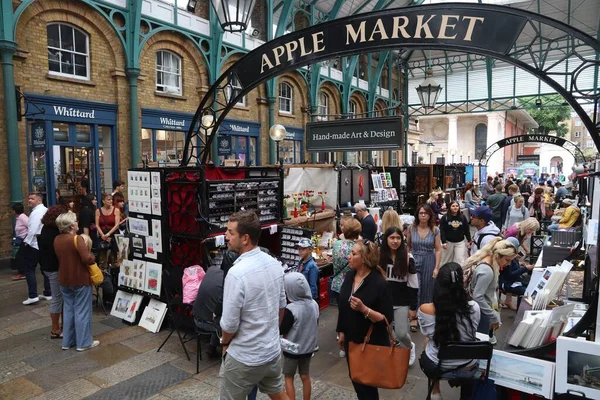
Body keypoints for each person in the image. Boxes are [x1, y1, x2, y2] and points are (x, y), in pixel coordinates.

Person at [219, 211, 289, 400]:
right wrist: (272, 331)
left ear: (245, 238)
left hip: (245, 355)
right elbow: (281, 306)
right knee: (279, 394)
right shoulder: (274, 263)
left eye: (230, 232)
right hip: (271, 350)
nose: (226, 236)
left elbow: (229, 324)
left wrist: (224, 343)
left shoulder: (236, 273)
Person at [336, 240, 394, 400]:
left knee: (366, 386)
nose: (348, 256)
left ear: (364, 259)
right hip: (351, 340)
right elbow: (343, 306)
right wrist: (341, 331)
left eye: (353, 253)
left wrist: (364, 309)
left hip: (370, 343)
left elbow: (387, 319)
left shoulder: (379, 284)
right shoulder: (349, 276)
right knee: (356, 379)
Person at [418, 263, 481, 400]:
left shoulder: (425, 309)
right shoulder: (474, 307)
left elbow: (428, 334)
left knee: (427, 341)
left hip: (438, 365)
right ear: (462, 283)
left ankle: (435, 391)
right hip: (468, 366)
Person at [54, 212, 99, 351]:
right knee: (82, 311)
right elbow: (86, 259)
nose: (77, 223)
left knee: (68, 310)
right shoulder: (77, 239)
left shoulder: (57, 239)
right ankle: (84, 342)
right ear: (72, 225)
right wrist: (92, 256)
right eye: (76, 221)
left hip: (64, 279)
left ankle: (67, 341)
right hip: (79, 278)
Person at [463, 238, 517, 340]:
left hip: (480, 310)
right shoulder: (487, 271)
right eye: (507, 260)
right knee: (480, 343)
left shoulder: (486, 259)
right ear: (497, 256)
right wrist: (493, 315)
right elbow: (478, 297)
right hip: (482, 313)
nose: (508, 264)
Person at [379, 226, 418, 365]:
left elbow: (414, 284)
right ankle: (395, 354)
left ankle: (409, 347)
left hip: (402, 301)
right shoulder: (380, 257)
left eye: (398, 238)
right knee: (388, 333)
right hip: (384, 301)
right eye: (392, 238)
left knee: (401, 333)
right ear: (386, 239)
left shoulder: (408, 258)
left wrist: (413, 307)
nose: (395, 241)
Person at [280, 272, 319, 400]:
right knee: (305, 376)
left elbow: (282, 329)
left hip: (292, 350)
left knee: (289, 377)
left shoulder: (291, 309)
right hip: (308, 348)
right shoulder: (314, 304)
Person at [38, 204, 68, 339]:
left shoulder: (45, 228)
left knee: (60, 298)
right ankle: (55, 329)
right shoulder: (54, 233)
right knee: (57, 298)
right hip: (54, 268)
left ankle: (62, 326)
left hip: (47, 267)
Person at [407, 204, 442, 308]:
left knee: (428, 289)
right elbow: (408, 246)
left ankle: (425, 313)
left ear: (429, 215)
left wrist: (436, 268)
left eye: (425, 213)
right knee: (415, 287)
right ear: (417, 215)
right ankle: (414, 312)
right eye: (421, 213)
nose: (423, 215)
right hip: (414, 259)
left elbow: (438, 249)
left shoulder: (435, 230)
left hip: (429, 260)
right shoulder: (411, 228)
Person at [22, 193, 50, 305]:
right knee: (45, 270)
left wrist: (26, 243)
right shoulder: (46, 210)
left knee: (29, 270)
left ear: (39, 200)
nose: (29, 200)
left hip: (34, 245)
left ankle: (32, 295)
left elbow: (32, 231)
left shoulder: (36, 213)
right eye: (29, 198)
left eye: (32, 199)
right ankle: (48, 292)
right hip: (44, 244)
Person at [192, 264, 224, 358]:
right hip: (210, 324)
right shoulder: (230, 282)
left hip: (197, 318)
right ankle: (226, 355)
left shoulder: (212, 270)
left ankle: (212, 347)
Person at [330, 219, 361, 312]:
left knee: (342, 313)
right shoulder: (358, 248)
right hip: (351, 287)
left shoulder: (336, 244)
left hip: (337, 285)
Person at [499, 237, 533, 311]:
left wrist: (520, 264)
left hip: (513, 281)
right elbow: (510, 275)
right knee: (526, 291)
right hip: (507, 283)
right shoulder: (507, 258)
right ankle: (521, 311)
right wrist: (525, 268)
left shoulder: (510, 257)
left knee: (530, 285)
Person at [439, 201, 471, 267]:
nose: (455, 207)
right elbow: (442, 230)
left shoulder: (462, 217)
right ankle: (445, 274)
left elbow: (466, 229)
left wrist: (469, 240)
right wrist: (443, 241)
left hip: (460, 242)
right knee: (446, 260)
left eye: (457, 206)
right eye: (453, 206)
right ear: (450, 207)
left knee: (460, 260)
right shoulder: (445, 217)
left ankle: (459, 274)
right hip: (448, 242)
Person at [95, 193, 121, 271]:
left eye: (111, 199)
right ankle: (103, 276)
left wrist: (108, 234)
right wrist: (103, 235)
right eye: (108, 199)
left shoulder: (116, 210)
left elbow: (117, 225)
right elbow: (97, 225)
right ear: (103, 201)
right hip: (102, 236)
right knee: (102, 259)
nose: (111, 201)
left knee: (115, 258)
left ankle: (114, 276)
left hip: (113, 235)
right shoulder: (98, 211)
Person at [11, 203, 28, 280]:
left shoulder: (22, 217)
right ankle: (23, 272)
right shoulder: (18, 217)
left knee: (19, 256)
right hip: (21, 240)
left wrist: (26, 236)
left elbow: (30, 225)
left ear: (15, 211)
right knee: (22, 256)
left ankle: (22, 273)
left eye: (13, 210)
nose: (12, 211)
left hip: (25, 240)